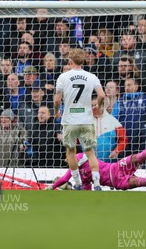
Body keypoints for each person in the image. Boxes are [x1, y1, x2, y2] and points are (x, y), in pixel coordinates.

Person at [48, 126, 146, 191]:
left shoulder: (80, 157)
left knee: (141, 156)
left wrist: (51, 187)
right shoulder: (80, 176)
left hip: (117, 167)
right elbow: (85, 190)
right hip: (117, 181)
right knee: (144, 182)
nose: (67, 160)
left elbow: (63, 179)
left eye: (67, 157)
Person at [54, 48, 106, 190]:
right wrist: (98, 106)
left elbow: (57, 100)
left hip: (70, 120)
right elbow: (101, 95)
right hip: (86, 120)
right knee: (90, 152)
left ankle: (77, 183)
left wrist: (57, 111)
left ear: (70, 61)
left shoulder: (63, 77)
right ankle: (97, 183)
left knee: (71, 151)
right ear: (83, 61)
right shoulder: (91, 76)